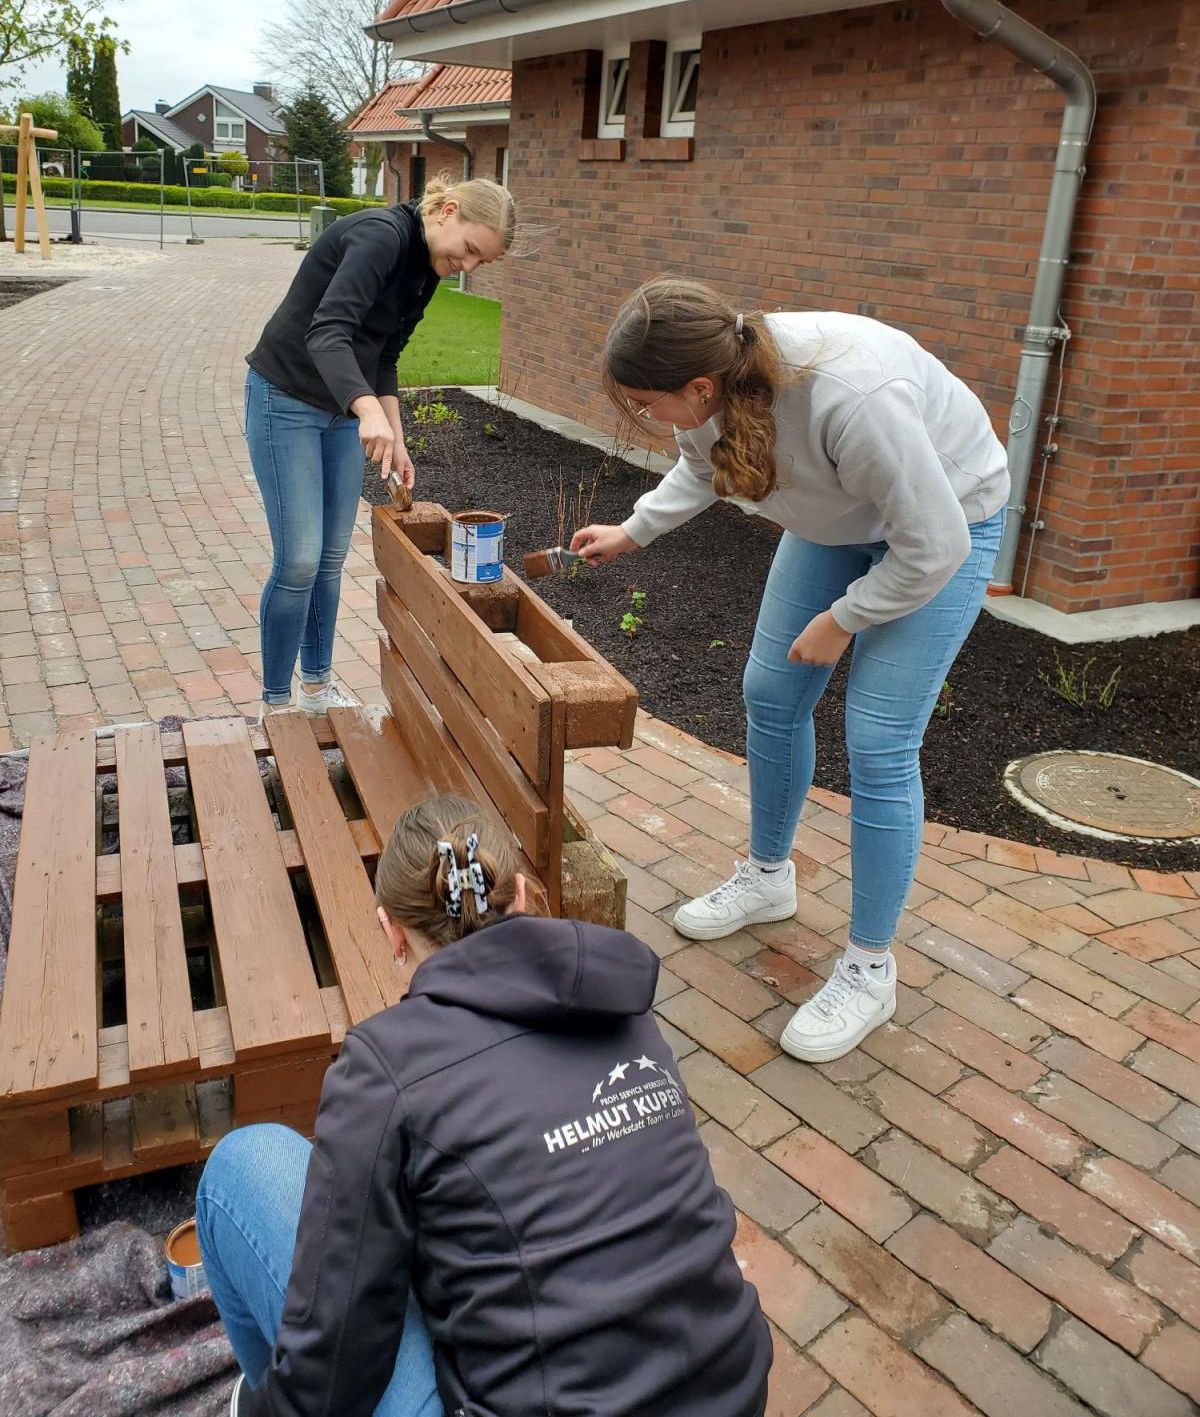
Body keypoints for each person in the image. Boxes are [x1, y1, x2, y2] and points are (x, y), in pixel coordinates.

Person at [196, 793, 772, 1417]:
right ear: (521, 895)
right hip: (731, 1389)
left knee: (243, 1164)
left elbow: (338, 1357)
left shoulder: (386, 1068)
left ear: (390, 933)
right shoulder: (623, 1007)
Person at [572, 278, 1009, 1064]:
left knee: (877, 743)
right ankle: (769, 876)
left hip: (947, 525)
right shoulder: (715, 385)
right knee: (769, 694)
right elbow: (701, 464)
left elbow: (933, 544)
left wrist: (844, 619)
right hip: (835, 521)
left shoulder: (850, 397)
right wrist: (632, 531)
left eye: (644, 402)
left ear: (698, 385)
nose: (643, 417)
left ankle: (871, 970)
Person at [244, 177, 513, 720]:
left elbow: (385, 355)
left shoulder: (426, 267)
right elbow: (329, 331)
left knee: (330, 559)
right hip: (286, 398)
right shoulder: (379, 237)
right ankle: (275, 708)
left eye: (481, 261)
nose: (469, 266)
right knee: (299, 559)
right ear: (449, 211)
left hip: (344, 409)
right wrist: (366, 410)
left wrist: (398, 440)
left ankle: (316, 690)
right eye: (470, 250)